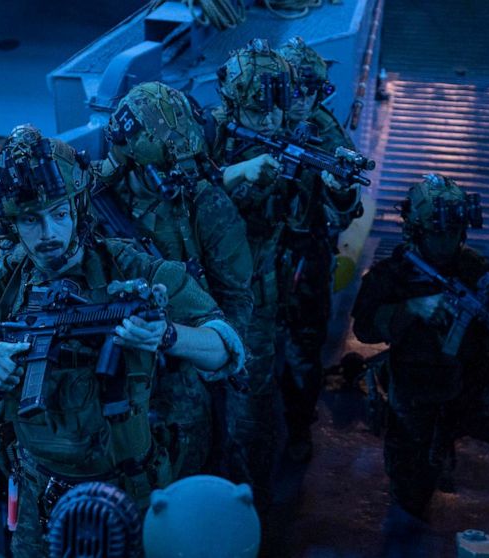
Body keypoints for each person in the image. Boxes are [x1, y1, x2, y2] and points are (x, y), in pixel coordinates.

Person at [0, 125, 245, 557]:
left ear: (77, 209)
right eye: (31, 220)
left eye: (59, 213)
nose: (48, 233)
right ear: (13, 225)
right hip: (40, 496)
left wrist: (165, 335)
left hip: (130, 490)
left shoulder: (134, 269)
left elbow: (226, 346)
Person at [351, 174, 489, 558]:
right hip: (415, 397)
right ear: (416, 232)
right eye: (440, 234)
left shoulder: (472, 269)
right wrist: (411, 309)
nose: (449, 242)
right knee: (410, 500)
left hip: (471, 388)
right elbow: (364, 327)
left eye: (456, 233)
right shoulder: (391, 276)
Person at [93, 81, 255, 479]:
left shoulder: (207, 205)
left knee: (202, 463)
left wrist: (205, 347)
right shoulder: (92, 201)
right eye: (161, 170)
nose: (174, 179)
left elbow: (237, 301)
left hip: (181, 365)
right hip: (106, 365)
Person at [205, 37, 295, 511]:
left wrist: (339, 191)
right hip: (203, 293)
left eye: (277, 109)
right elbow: (185, 194)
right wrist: (240, 171)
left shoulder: (296, 140)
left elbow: (316, 218)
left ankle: (249, 504)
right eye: (259, 111)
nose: (271, 121)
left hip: (256, 296)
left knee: (251, 410)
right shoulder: (209, 134)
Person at [275, 36, 363, 462]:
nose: (304, 99)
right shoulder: (255, 120)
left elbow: (345, 213)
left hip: (303, 251)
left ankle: (297, 427)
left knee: (302, 347)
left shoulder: (326, 135)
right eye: (296, 89)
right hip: (254, 248)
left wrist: (339, 191)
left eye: (314, 90)